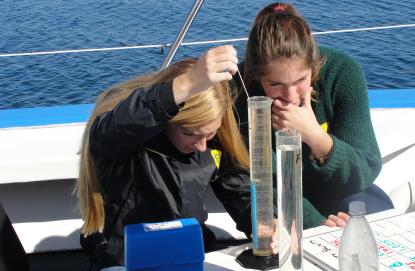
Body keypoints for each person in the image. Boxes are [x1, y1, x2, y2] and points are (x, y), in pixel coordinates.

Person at [75, 46, 252, 271]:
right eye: (190, 133)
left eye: (210, 134)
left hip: (189, 255)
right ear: (168, 120)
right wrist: (187, 83)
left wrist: (263, 223)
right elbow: (113, 130)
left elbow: (237, 187)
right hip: (125, 261)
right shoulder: (129, 142)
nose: (201, 146)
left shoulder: (208, 138)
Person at [233, 2, 393, 229]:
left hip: (337, 188)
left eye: (300, 80)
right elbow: (253, 184)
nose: (289, 95)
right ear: (258, 77)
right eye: (275, 84)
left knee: (378, 219)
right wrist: (315, 225)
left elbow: (367, 168)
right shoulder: (241, 92)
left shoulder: (342, 73)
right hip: (280, 201)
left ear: (314, 67)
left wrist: (317, 138)